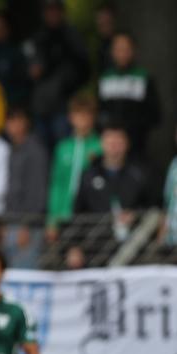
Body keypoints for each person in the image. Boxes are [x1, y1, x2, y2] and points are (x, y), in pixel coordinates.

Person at [23, 0, 89, 147]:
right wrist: (32, 72)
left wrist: (65, 84)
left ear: (62, 12)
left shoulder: (71, 36)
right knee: (41, 150)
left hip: (63, 106)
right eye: (48, 10)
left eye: (55, 10)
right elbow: (27, 69)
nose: (52, 14)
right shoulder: (37, 37)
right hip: (40, 105)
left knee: (63, 148)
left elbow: (83, 68)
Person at [73, 124, 155, 241]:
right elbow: (77, 213)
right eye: (110, 143)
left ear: (127, 144)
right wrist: (74, 246)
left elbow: (153, 207)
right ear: (102, 144)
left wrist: (135, 216)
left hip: (133, 244)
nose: (114, 148)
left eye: (118, 143)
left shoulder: (140, 174)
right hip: (95, 244)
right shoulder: (88, 175)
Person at [46, 95, 102, 241]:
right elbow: (57, 184)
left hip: (92, 216)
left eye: (87, 114)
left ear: (93, 117)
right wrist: (52, 219)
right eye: (78, 114)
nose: (82, 119)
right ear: (70, 117)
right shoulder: (63, 148)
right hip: (65, 214)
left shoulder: (101, 146)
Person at [97, 32, 160, 155]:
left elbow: (155, 114)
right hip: (110, 144)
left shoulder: (143, 77)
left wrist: (134, 130)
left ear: (133, 50)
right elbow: (100, 110)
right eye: (118, 49)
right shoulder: (105, 78)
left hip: (137, 143)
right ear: (112, 51)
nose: (122, 53)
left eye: (126, 49)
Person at [3, 108, 48, 268]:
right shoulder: (11, 150)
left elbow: (37, 191)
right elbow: (10, 189)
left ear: (26, 122)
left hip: (28, 226)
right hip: (11, 222)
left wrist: (26, 225)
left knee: (25, 274)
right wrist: (5, 223)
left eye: (17, 120)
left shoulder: (35, 150)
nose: (13, 126)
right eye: (10, 121)